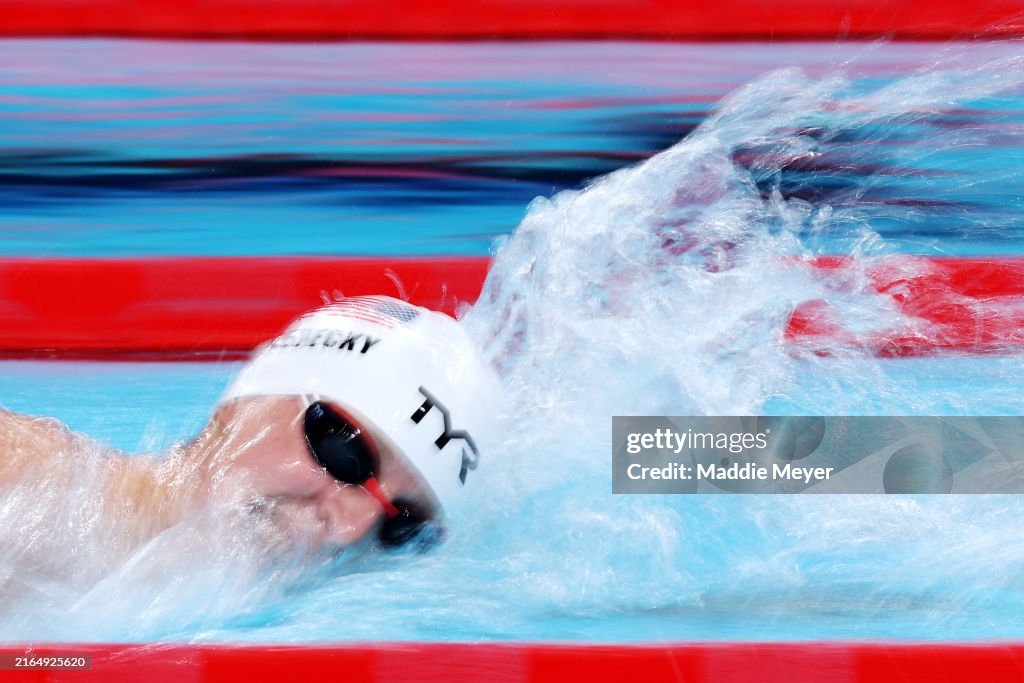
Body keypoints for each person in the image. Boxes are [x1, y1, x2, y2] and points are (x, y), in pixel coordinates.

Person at [0, 295, 503, 555]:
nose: (350, 529)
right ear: (245, 401)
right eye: (343, 451)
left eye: (401, 526)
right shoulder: (22, 482)